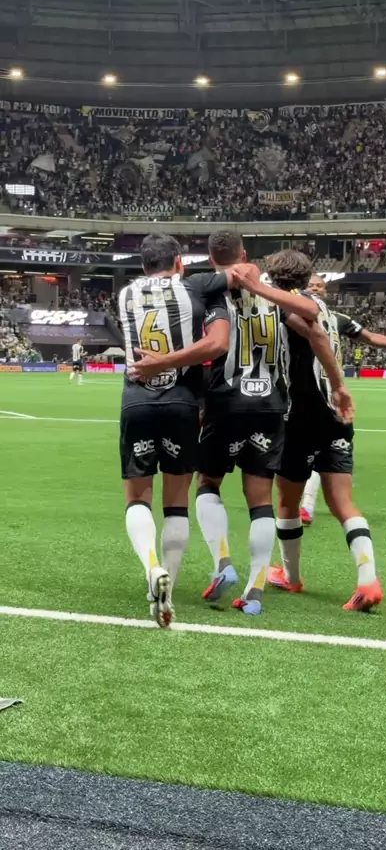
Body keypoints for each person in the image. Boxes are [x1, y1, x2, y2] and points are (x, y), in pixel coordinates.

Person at [195, 234, 352, 615]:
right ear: (244, 254)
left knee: (208, 483)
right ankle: (255, 589)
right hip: (271, 406)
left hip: (226, 400)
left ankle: (222, 562)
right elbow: (315, 330)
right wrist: (338, 386)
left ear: (211, 259)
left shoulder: (209, 291)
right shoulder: (275, 295)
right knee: (261, 500)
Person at [244, 256, 380, 613]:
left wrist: (340, 385)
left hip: (299, 416)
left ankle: (291, 577)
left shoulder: (287, 305)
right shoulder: (323, 307)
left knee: (287, 503)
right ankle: (368, 579)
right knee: (343, 503)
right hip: (333, 416)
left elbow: (313, 333)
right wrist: (339, 389)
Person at [118, 233, 238, 627]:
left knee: (137, 497)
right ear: (180, 262)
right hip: (182, 402)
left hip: (136, 400)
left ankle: (151, 568)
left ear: (143, 266)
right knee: (177, 501)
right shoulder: (194, 286)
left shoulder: (125, 294)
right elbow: (240, 274)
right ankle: (167, 590)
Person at [300, 275, 386, 526]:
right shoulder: (291, 314)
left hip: (328, 393)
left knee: (318, 449)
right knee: (303, 452)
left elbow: (371, 337)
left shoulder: (338, 319)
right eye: (311, 285)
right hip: (299, 393)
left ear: (326, 292)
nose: (315, 288)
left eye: (320, 285)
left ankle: (305, 507)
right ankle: (295, 508)